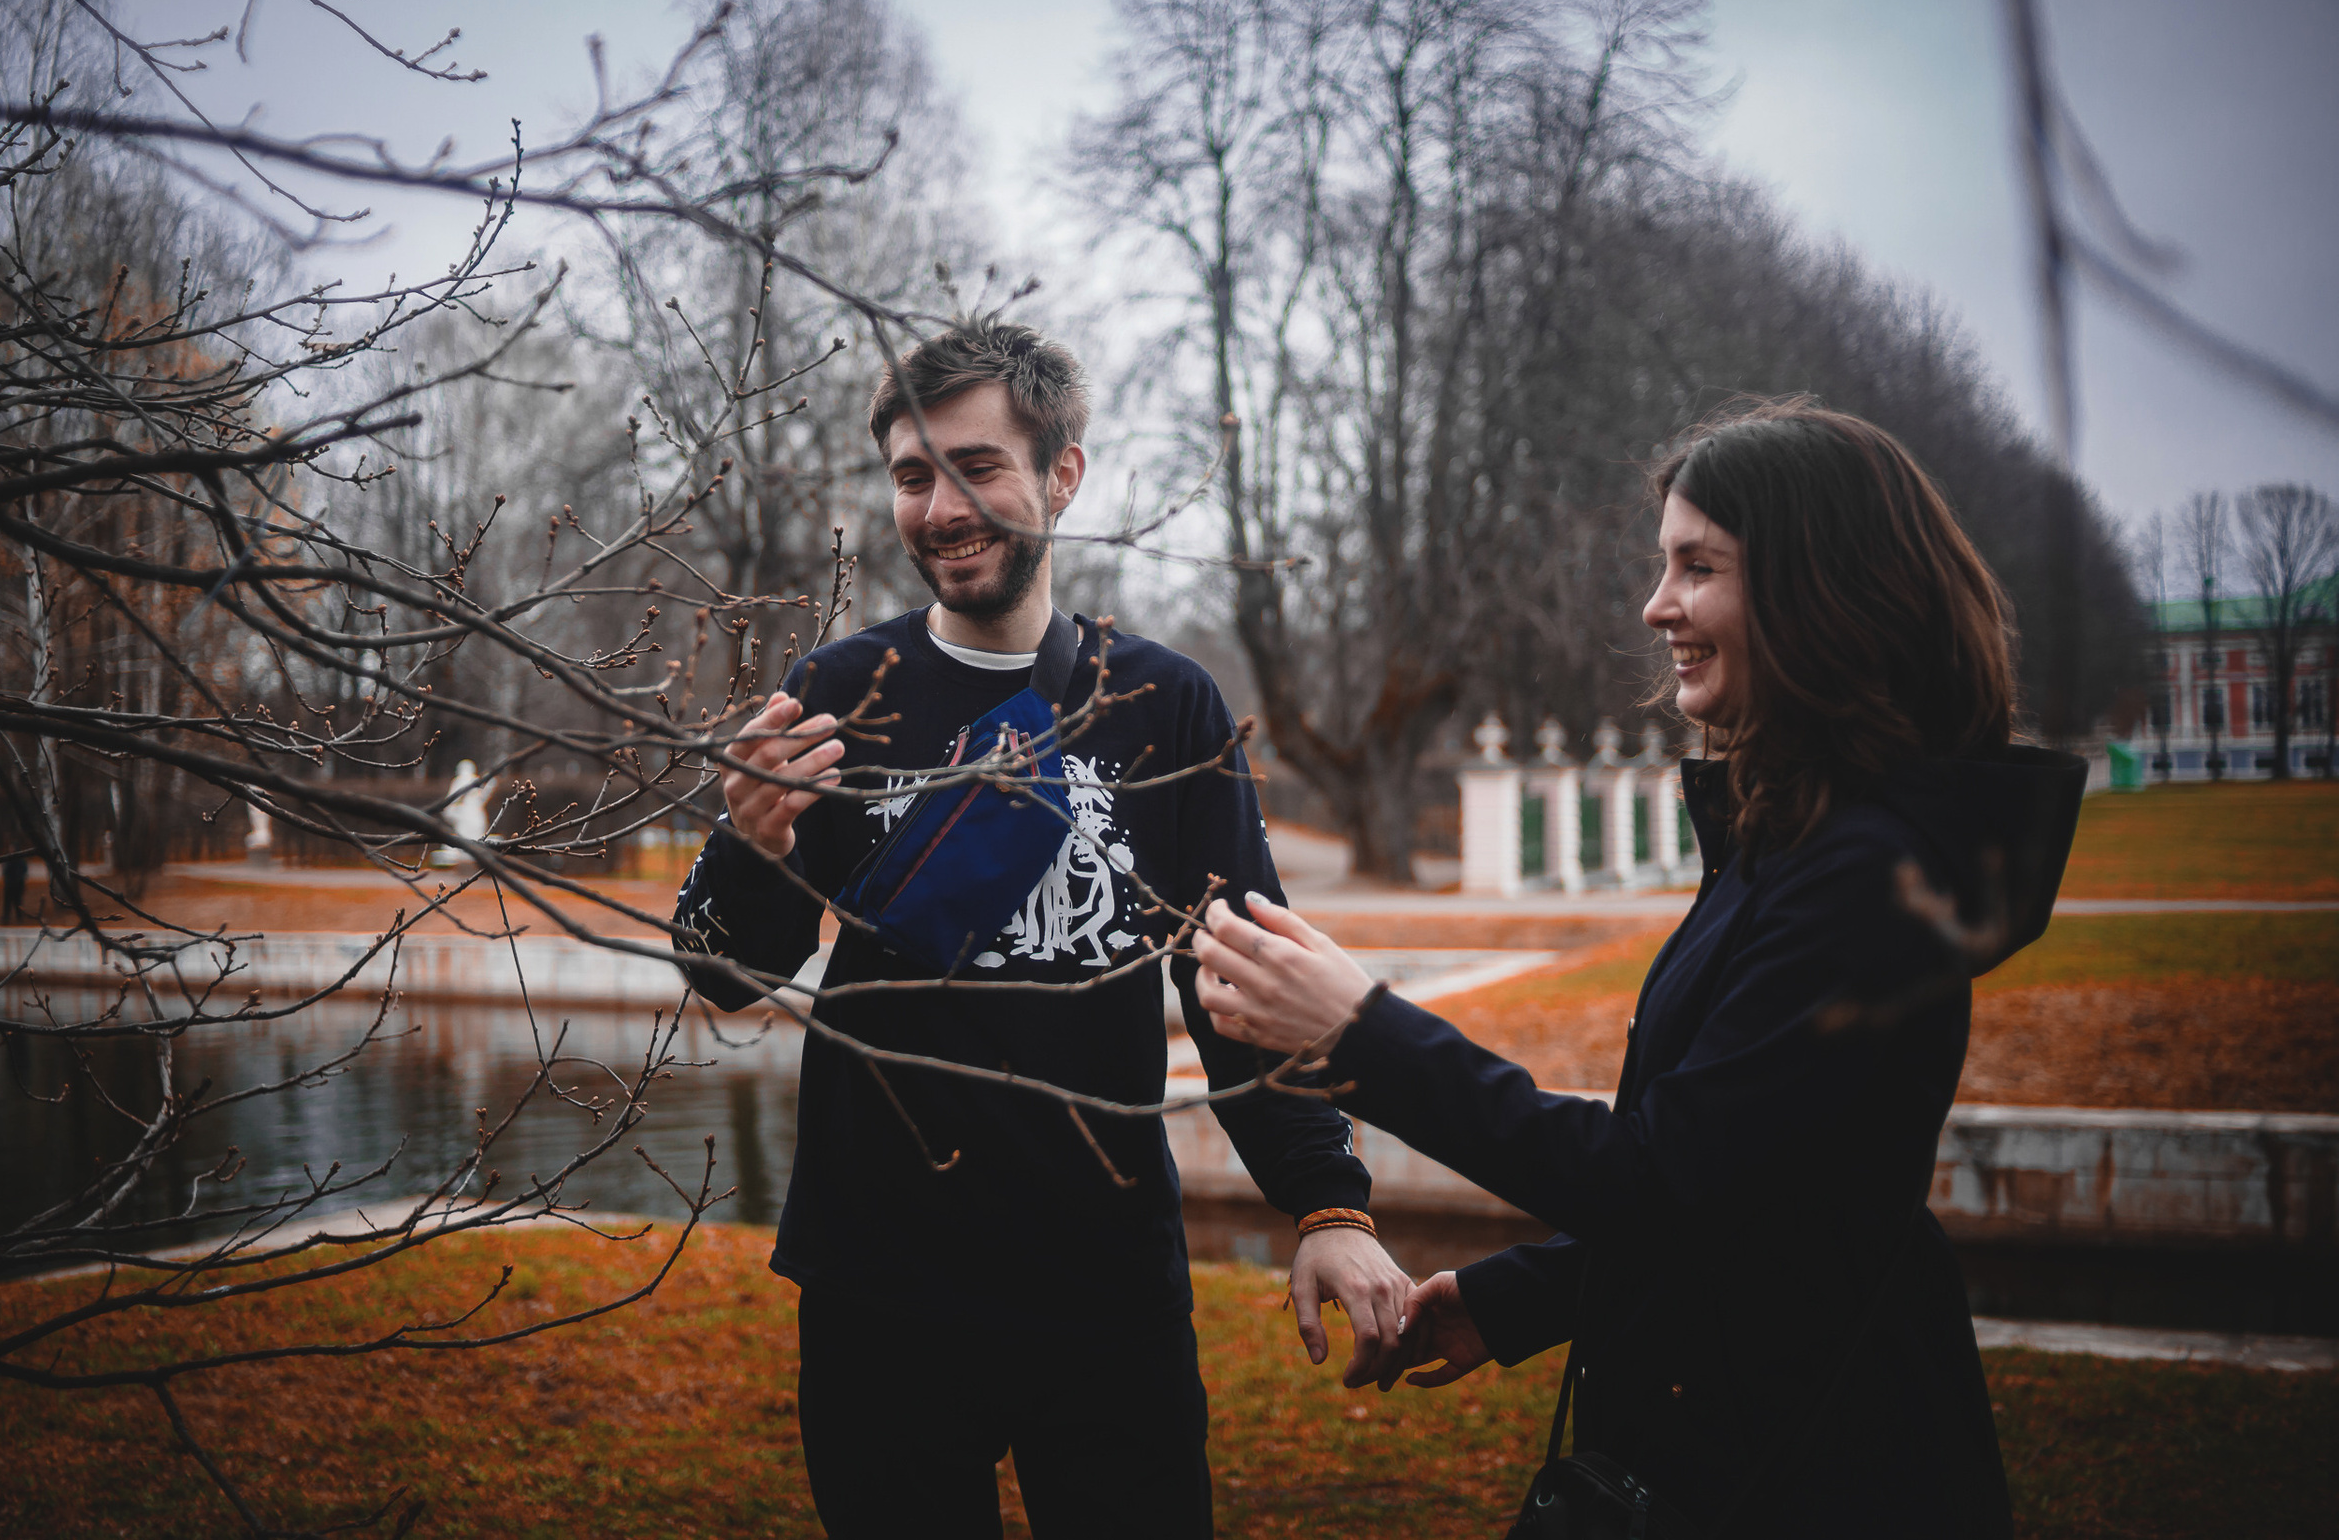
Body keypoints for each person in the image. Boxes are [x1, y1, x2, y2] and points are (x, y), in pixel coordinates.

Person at [1192, 401, 2085, 1537]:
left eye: (1696, 565)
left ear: (1820, 589)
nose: (1656, 604)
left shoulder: (1866, 874)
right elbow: (1746, 1188)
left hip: (1818, 1467)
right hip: (1731, 1430)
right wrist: (1512, 1295)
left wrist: (1361, 1027)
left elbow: (1661, 1173)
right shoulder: (1793, 840)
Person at [673, 318, 1411, 1540]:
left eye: (976, 467)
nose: (941, 507)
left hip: (1103, 1285)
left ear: (1063, 474)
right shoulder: (838, 694)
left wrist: (1327, 1203)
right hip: (880, 1288)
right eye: (913, 476)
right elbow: (722, 973)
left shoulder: (1164, 704)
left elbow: (1242, 983)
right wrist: (747, 841)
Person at [0, 847, 31, 924]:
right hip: (10, 884)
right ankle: (7, 917)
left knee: (17, 902)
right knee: (8, 902)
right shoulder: (9, 860)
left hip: (17, 884)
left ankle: (18, 917)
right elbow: (5, 871)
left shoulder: (20, 861)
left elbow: (23, 871)